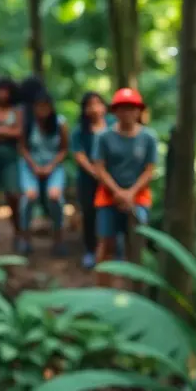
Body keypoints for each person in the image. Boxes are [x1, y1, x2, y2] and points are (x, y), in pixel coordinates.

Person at [93, 88, 158, 288]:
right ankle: (103, 289)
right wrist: (118, 192)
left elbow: (150, 170)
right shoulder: (104, 137)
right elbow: (99, 167)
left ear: (139, 111)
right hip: (108, 197)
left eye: (131, 108)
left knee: (136, 245)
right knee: (107, 244)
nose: (127, 113)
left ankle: (136, 289)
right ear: (115, 112)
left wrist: (131, 193)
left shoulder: (148, 138)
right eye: (122, 108)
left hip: (138, 197)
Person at [17, 91, 69, 256]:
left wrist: (50, 166)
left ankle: (58, 239)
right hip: (30, 166)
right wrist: (34, 166)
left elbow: (64, 149)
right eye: (39, 106)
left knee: (55, 197)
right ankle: (25, 239)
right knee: (29, 197)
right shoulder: (28, 124)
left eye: (45, 106)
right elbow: (23, 148)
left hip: (54, 166)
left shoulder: (60, 123)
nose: (42, 110)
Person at [71, 92, 111, 268]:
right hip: (88, 180)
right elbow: (79, 155)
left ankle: (110, 250)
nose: (94, 108)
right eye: (90, 104)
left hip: (112, 179)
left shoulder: (113, 125)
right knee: (89, 213)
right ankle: (90, 250)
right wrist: (96, 173)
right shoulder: (80, 131)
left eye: (98, 103)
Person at [0, 77, 23, 248]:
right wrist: (7, 131)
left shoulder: (16, 111)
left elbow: (18, 132)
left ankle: (17, 231)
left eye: (6, 90)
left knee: (13, 195)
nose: (3, 94)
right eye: (0, 90)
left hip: (10, 159)